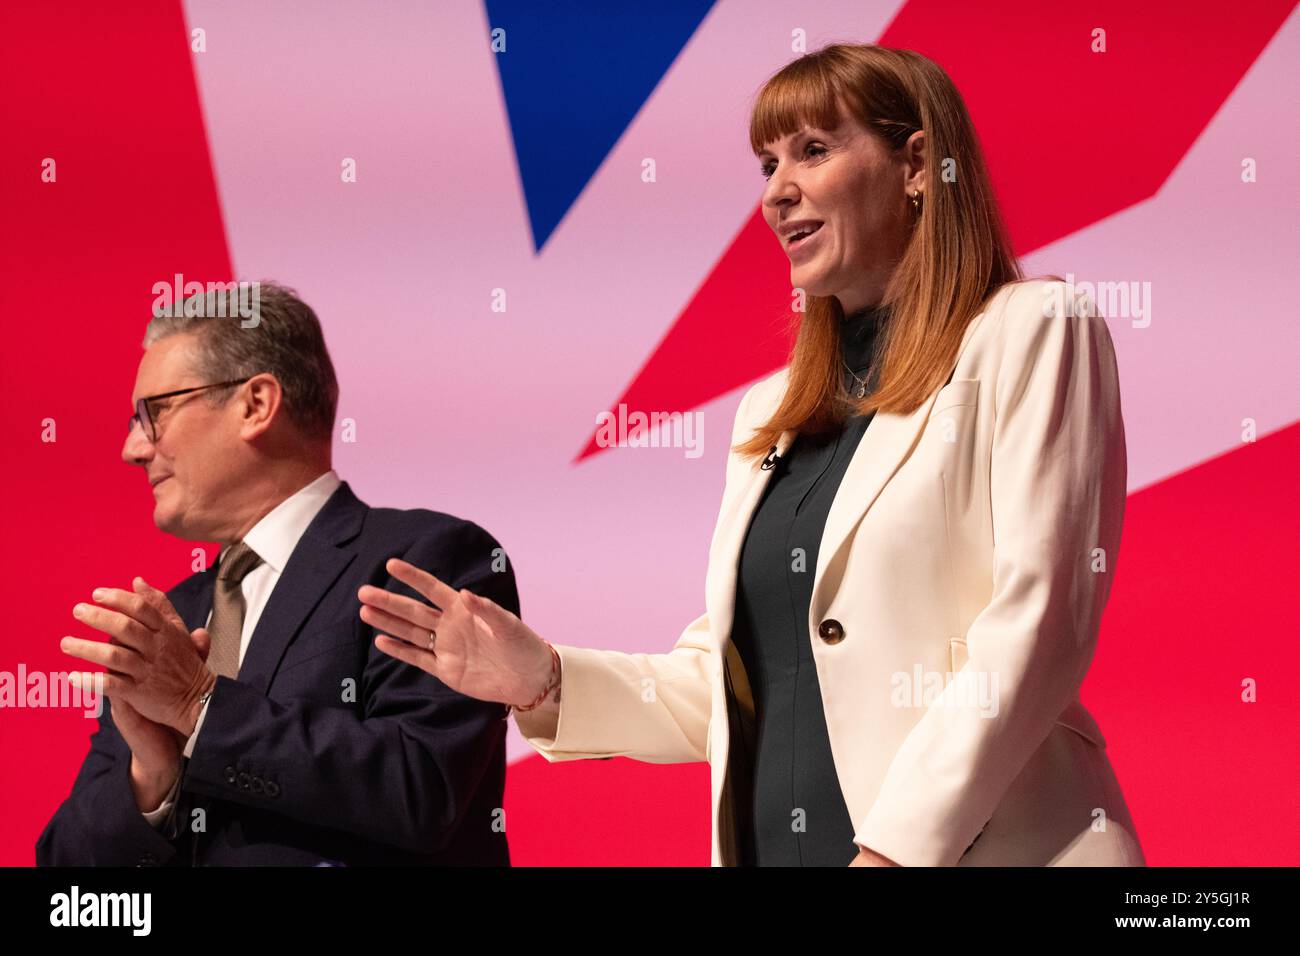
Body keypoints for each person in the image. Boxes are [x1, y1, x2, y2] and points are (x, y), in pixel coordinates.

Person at [358, 43, 1144, 867]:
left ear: (918, 165)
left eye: (813, 150)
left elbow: (1036, 626)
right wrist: (543, 680)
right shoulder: (769, 412)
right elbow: (733, 685)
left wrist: (892, 853)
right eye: (768, 163)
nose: (776, 192)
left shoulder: (1032, 330)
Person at [38, 282, 517, 866]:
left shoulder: (423, 560)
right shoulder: (170, 620)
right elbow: (66, 871)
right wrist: (153, 779)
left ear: (255, 404)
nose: (132, 448)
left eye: (154, 413)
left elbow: (421, 789)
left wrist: (200, 708)